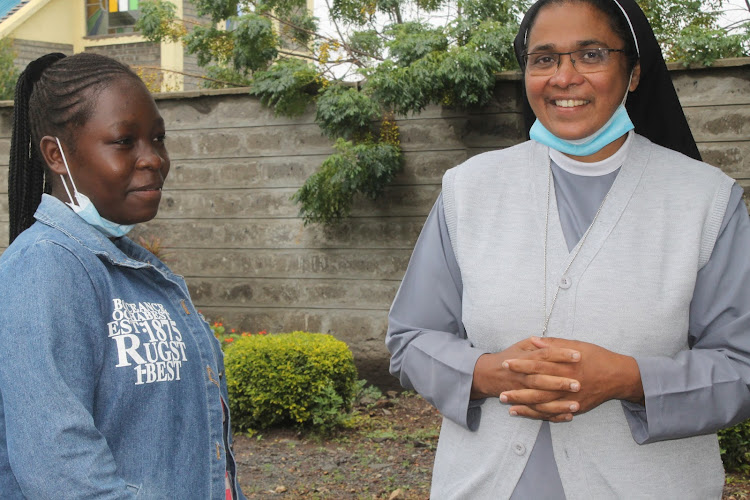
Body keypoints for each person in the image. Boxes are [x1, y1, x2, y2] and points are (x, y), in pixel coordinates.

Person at [386, 0, 750, 497]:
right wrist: (487, 374)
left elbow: (741, 367)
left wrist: (630, 379)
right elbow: (411, 339)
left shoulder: (706, 200)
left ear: (634, 72)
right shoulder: (469, 190)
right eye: (544, 58)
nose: (565, 76)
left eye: (591, 54)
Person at [0, 53, 246, 499]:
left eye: (157, 139)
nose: (153, 159)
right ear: (57, 155)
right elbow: (62, 470)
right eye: (124, 141)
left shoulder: (136, 270)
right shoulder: (45, 268)